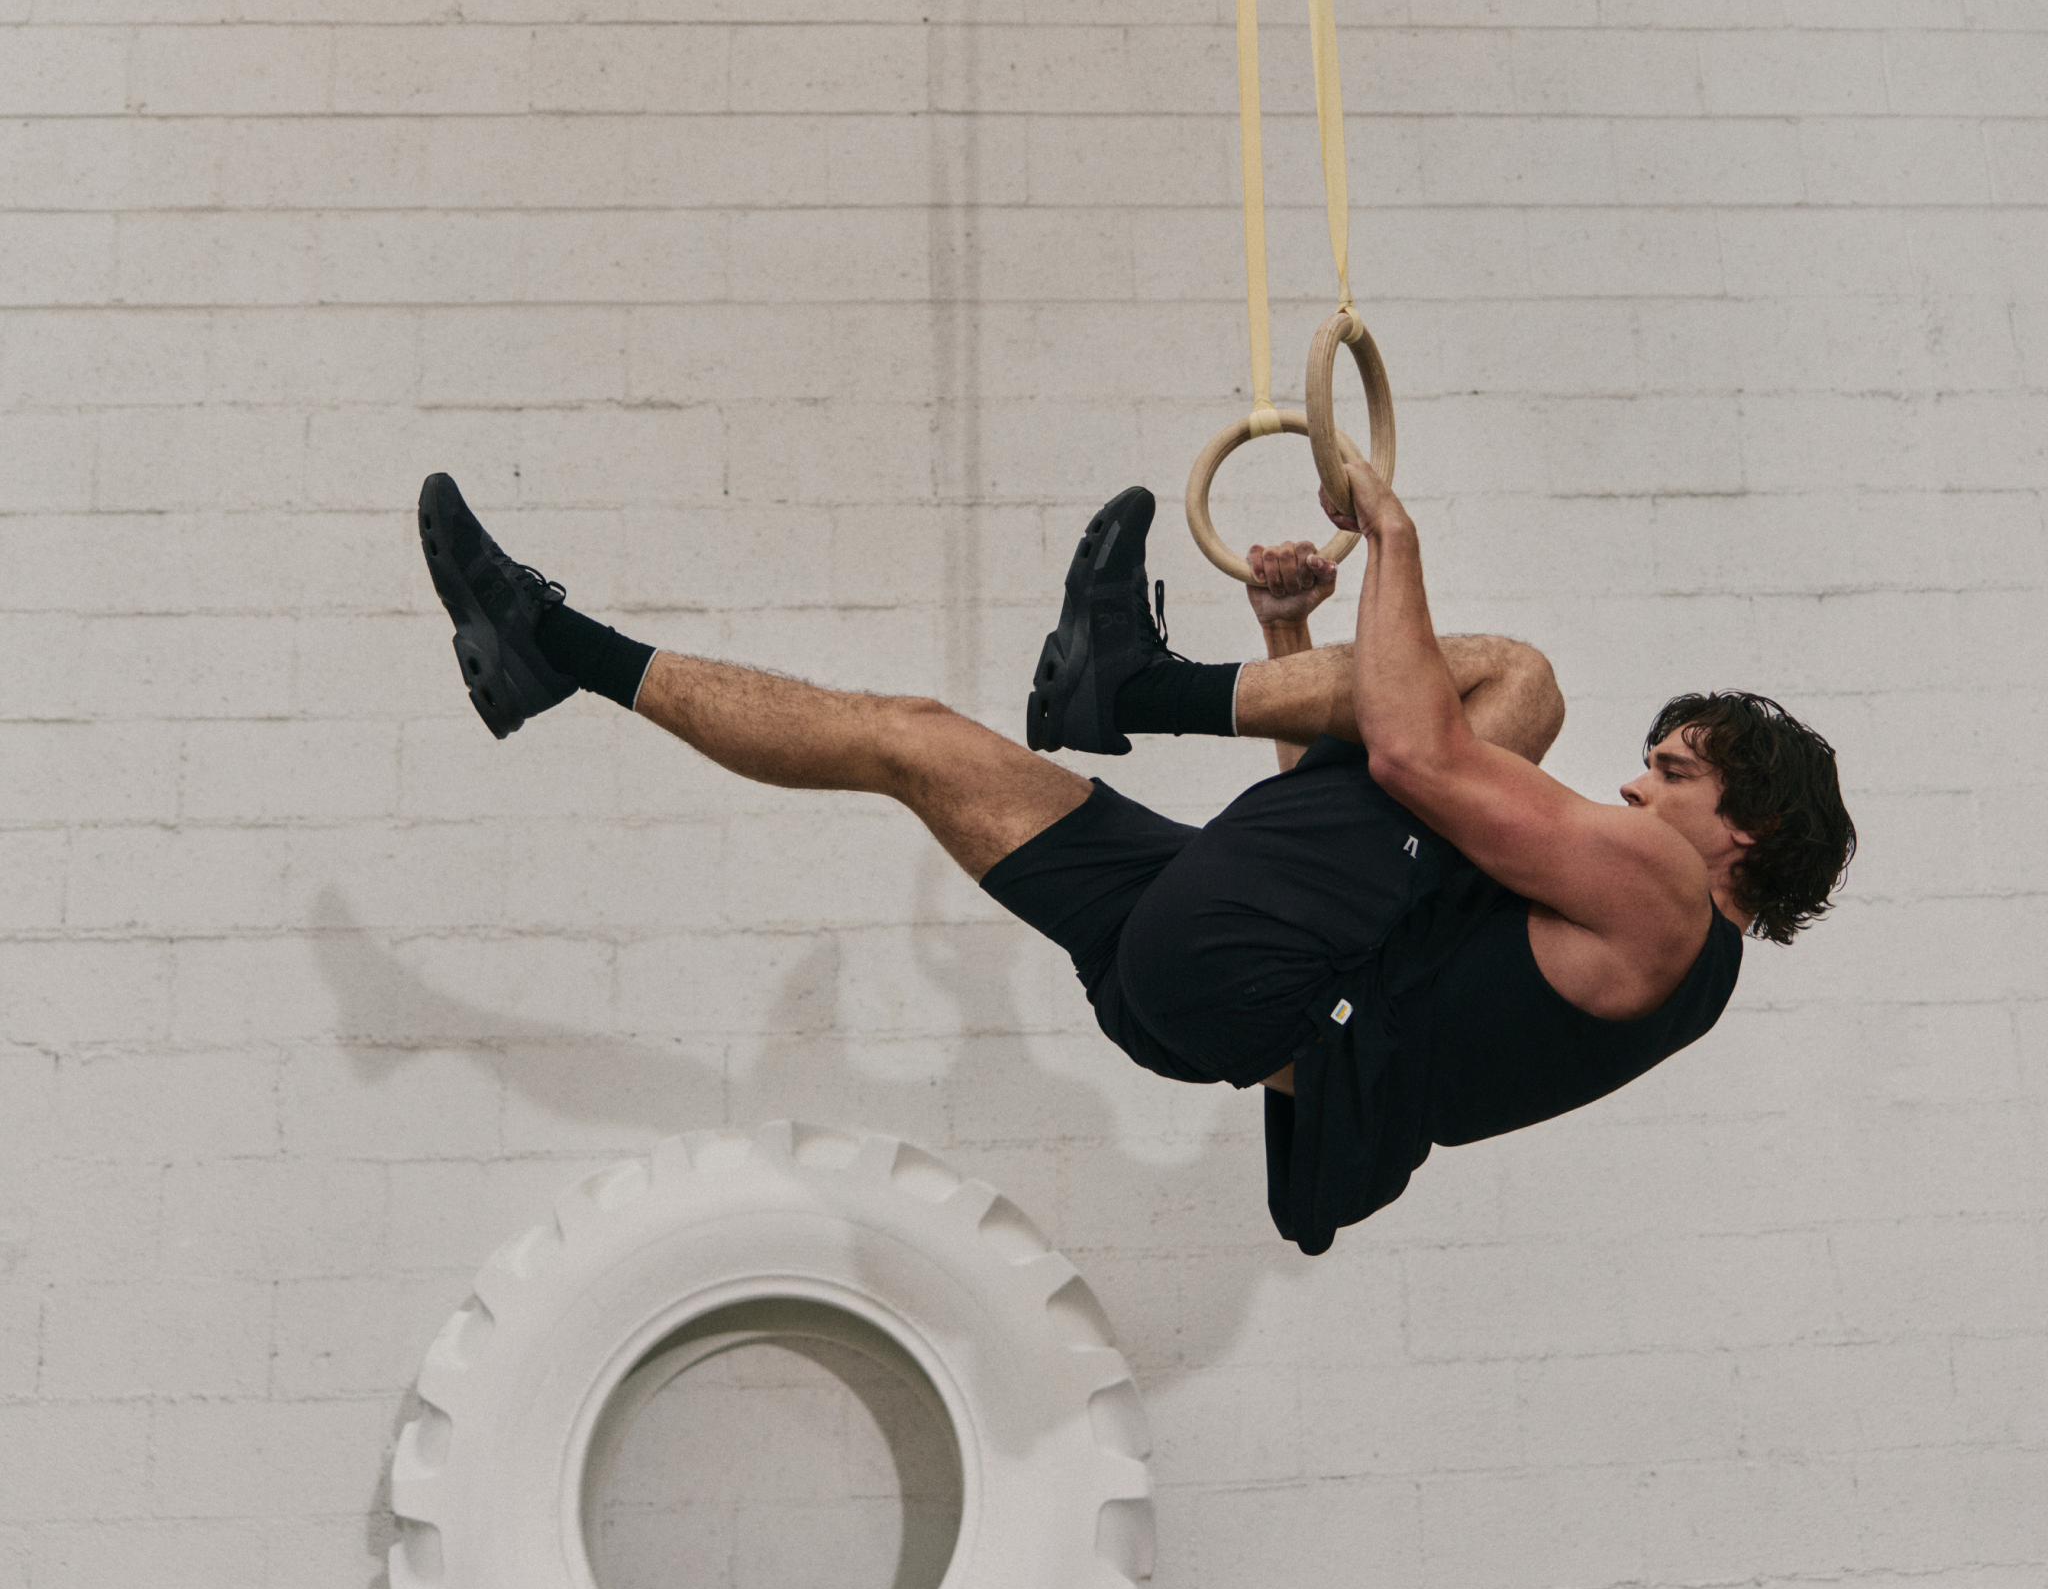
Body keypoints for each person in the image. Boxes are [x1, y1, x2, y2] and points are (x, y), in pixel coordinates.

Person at [416, 466, 1853, 1255]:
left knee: (1511, 683)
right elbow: (1336, 842)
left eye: (1669, 773)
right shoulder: (1632, 925)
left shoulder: (1671, 907)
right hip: (1217, 979)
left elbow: (1414, 764)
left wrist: (1393, 532)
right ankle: (557, 652)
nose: (1628, 781)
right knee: (917, 740)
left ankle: (1132, 686)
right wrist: (1295, 643)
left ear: (1749, 836)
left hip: (1260, 980)